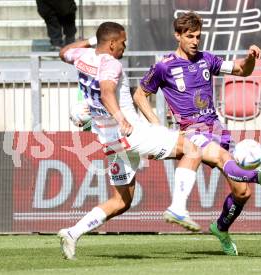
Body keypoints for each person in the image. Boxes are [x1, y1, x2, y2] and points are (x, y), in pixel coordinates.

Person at [57, 21, 206, 260]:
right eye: (123, 42)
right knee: (192, 151)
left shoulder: (82, 56)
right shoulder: (111, 63)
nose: (125, 46)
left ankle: (73, 233)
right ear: (113, 43)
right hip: (131, 133)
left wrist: (92, 41)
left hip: (110, 141)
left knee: (121, 201)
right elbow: (106, 92)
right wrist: (121, 119)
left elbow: (63, 52)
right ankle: (178, 208)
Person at [134, 11, 261, 256]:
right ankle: (258, 175)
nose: (195, 41)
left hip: (217, 130)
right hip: (192, 132)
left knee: (242, 192)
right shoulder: (164, 66)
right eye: (189, 36)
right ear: (177, 35)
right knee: (222, 159)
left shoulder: (207, 60)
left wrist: (250, 56)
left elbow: (243, 70)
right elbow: (139, 95)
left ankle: (221, 228)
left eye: (198, 36)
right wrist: (155, 124)